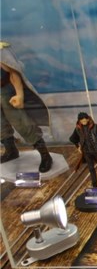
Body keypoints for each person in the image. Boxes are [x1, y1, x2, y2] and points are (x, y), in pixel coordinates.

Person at [0, 42, 52, 172]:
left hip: (6, 92)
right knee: (0, 126)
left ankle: (45, 154)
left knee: (22, 122)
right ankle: (11, 150)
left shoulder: (1, 50)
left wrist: (19, 94)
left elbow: (13, 72)